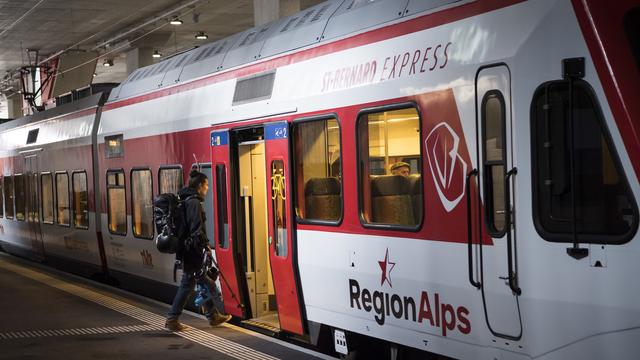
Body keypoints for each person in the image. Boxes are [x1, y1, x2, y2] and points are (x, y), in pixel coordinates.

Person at [165, 170, 232, 332]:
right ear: (200, 186)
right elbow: (196, 230)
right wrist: (206, 246)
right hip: (192, 250)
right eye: (207, 185)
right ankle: (172, 319)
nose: (208, 189)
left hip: (188, 249)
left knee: (199, 280)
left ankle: (212, 315)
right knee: (189, 283)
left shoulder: (186, 199)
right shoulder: (194, 202)